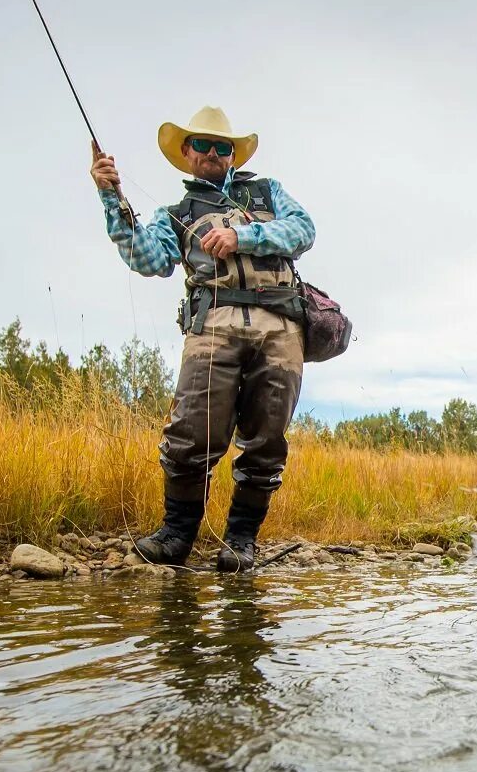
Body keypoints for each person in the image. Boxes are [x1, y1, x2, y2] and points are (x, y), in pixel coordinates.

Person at [90, 105, 316, 571]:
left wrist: (244, 236)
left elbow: (304, 229)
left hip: (281, 330)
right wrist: (112, 198)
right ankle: (177, 536)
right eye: (202, 145)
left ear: (232, 154)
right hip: (211, 327)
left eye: (222, 146)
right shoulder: (175, 213)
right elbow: (148, 259)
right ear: (187, 152)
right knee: (190, 434)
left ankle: (240, 541)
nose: (212, 152)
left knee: (267, 442)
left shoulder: (267, 191)